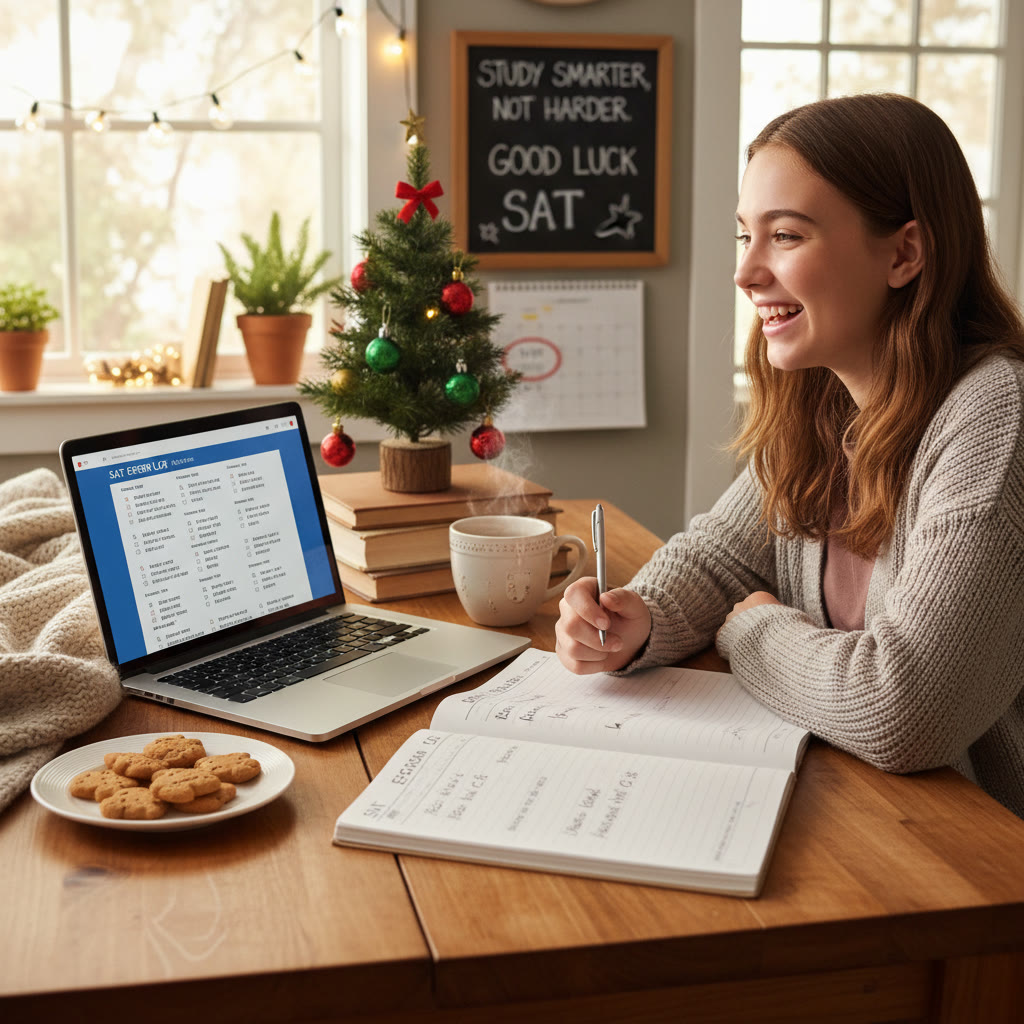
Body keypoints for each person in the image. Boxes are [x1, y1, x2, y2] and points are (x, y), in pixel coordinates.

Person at [554, 93, 1024, 818]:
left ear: (904, 253)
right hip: (861, 804)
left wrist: (753, 632)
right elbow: (723, 560)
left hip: (975, 857)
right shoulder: (826, 393)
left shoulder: (996, 417)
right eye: (746, 236)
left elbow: (904, 709)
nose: (746, 273)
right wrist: (635, 619)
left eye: (787, 236)